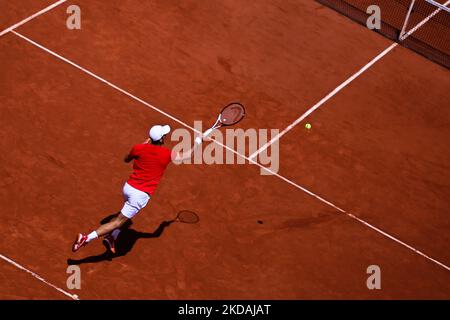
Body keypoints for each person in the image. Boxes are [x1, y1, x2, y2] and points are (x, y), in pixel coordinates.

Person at [72, 124, 203, 253]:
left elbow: (126, 159)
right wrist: (198, 141)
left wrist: (141, 146)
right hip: (139, 195)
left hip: (128, 188)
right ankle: (86, 238)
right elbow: (188, 155)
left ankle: (112, 236)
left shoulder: (138, 148)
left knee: (124, 214)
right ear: (162, 139)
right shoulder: (166, 154)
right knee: (119, 221)